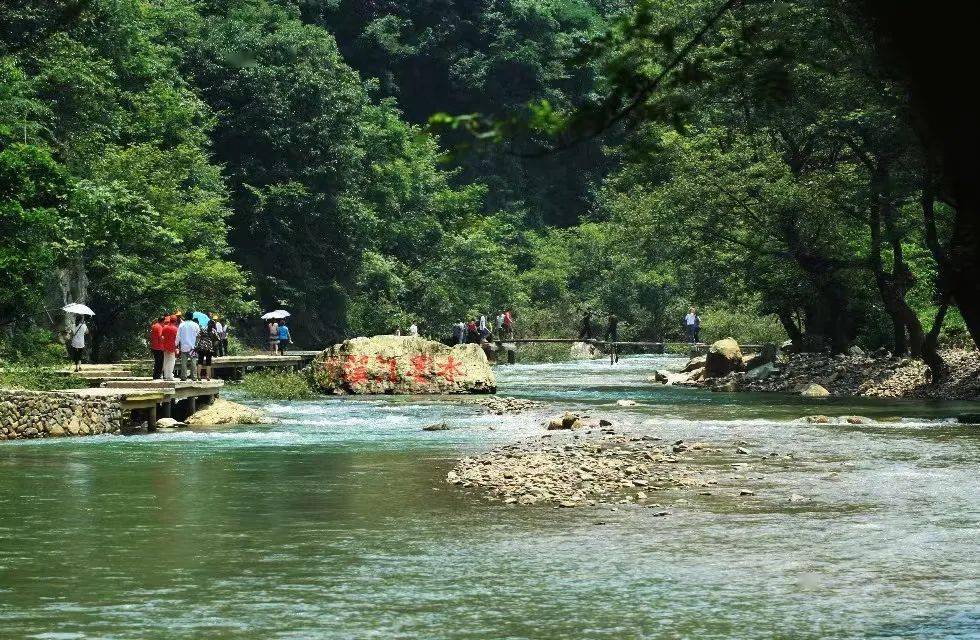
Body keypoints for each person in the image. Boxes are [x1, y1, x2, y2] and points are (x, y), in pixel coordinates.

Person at [176, 313, 201, 380]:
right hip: (193, 347)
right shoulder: (195, 325)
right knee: (193, 362)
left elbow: (178, 336)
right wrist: (197, 344)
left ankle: (184, 377)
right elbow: (199, 335)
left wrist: (176, 344)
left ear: (185, 317)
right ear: (192, 317)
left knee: (184, 362)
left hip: (184, 346)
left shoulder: (182, 325)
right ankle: (194, 377)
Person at [161, 315, 178, 381]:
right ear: (175, 321)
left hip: (165, 346)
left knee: (165, 361)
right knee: (171, 361)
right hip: (172, 347)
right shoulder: (175, 329)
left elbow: (162, 337)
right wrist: (177, 347)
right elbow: (177, 339)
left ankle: (165, 375)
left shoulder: (164, 327)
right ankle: (170, 376)